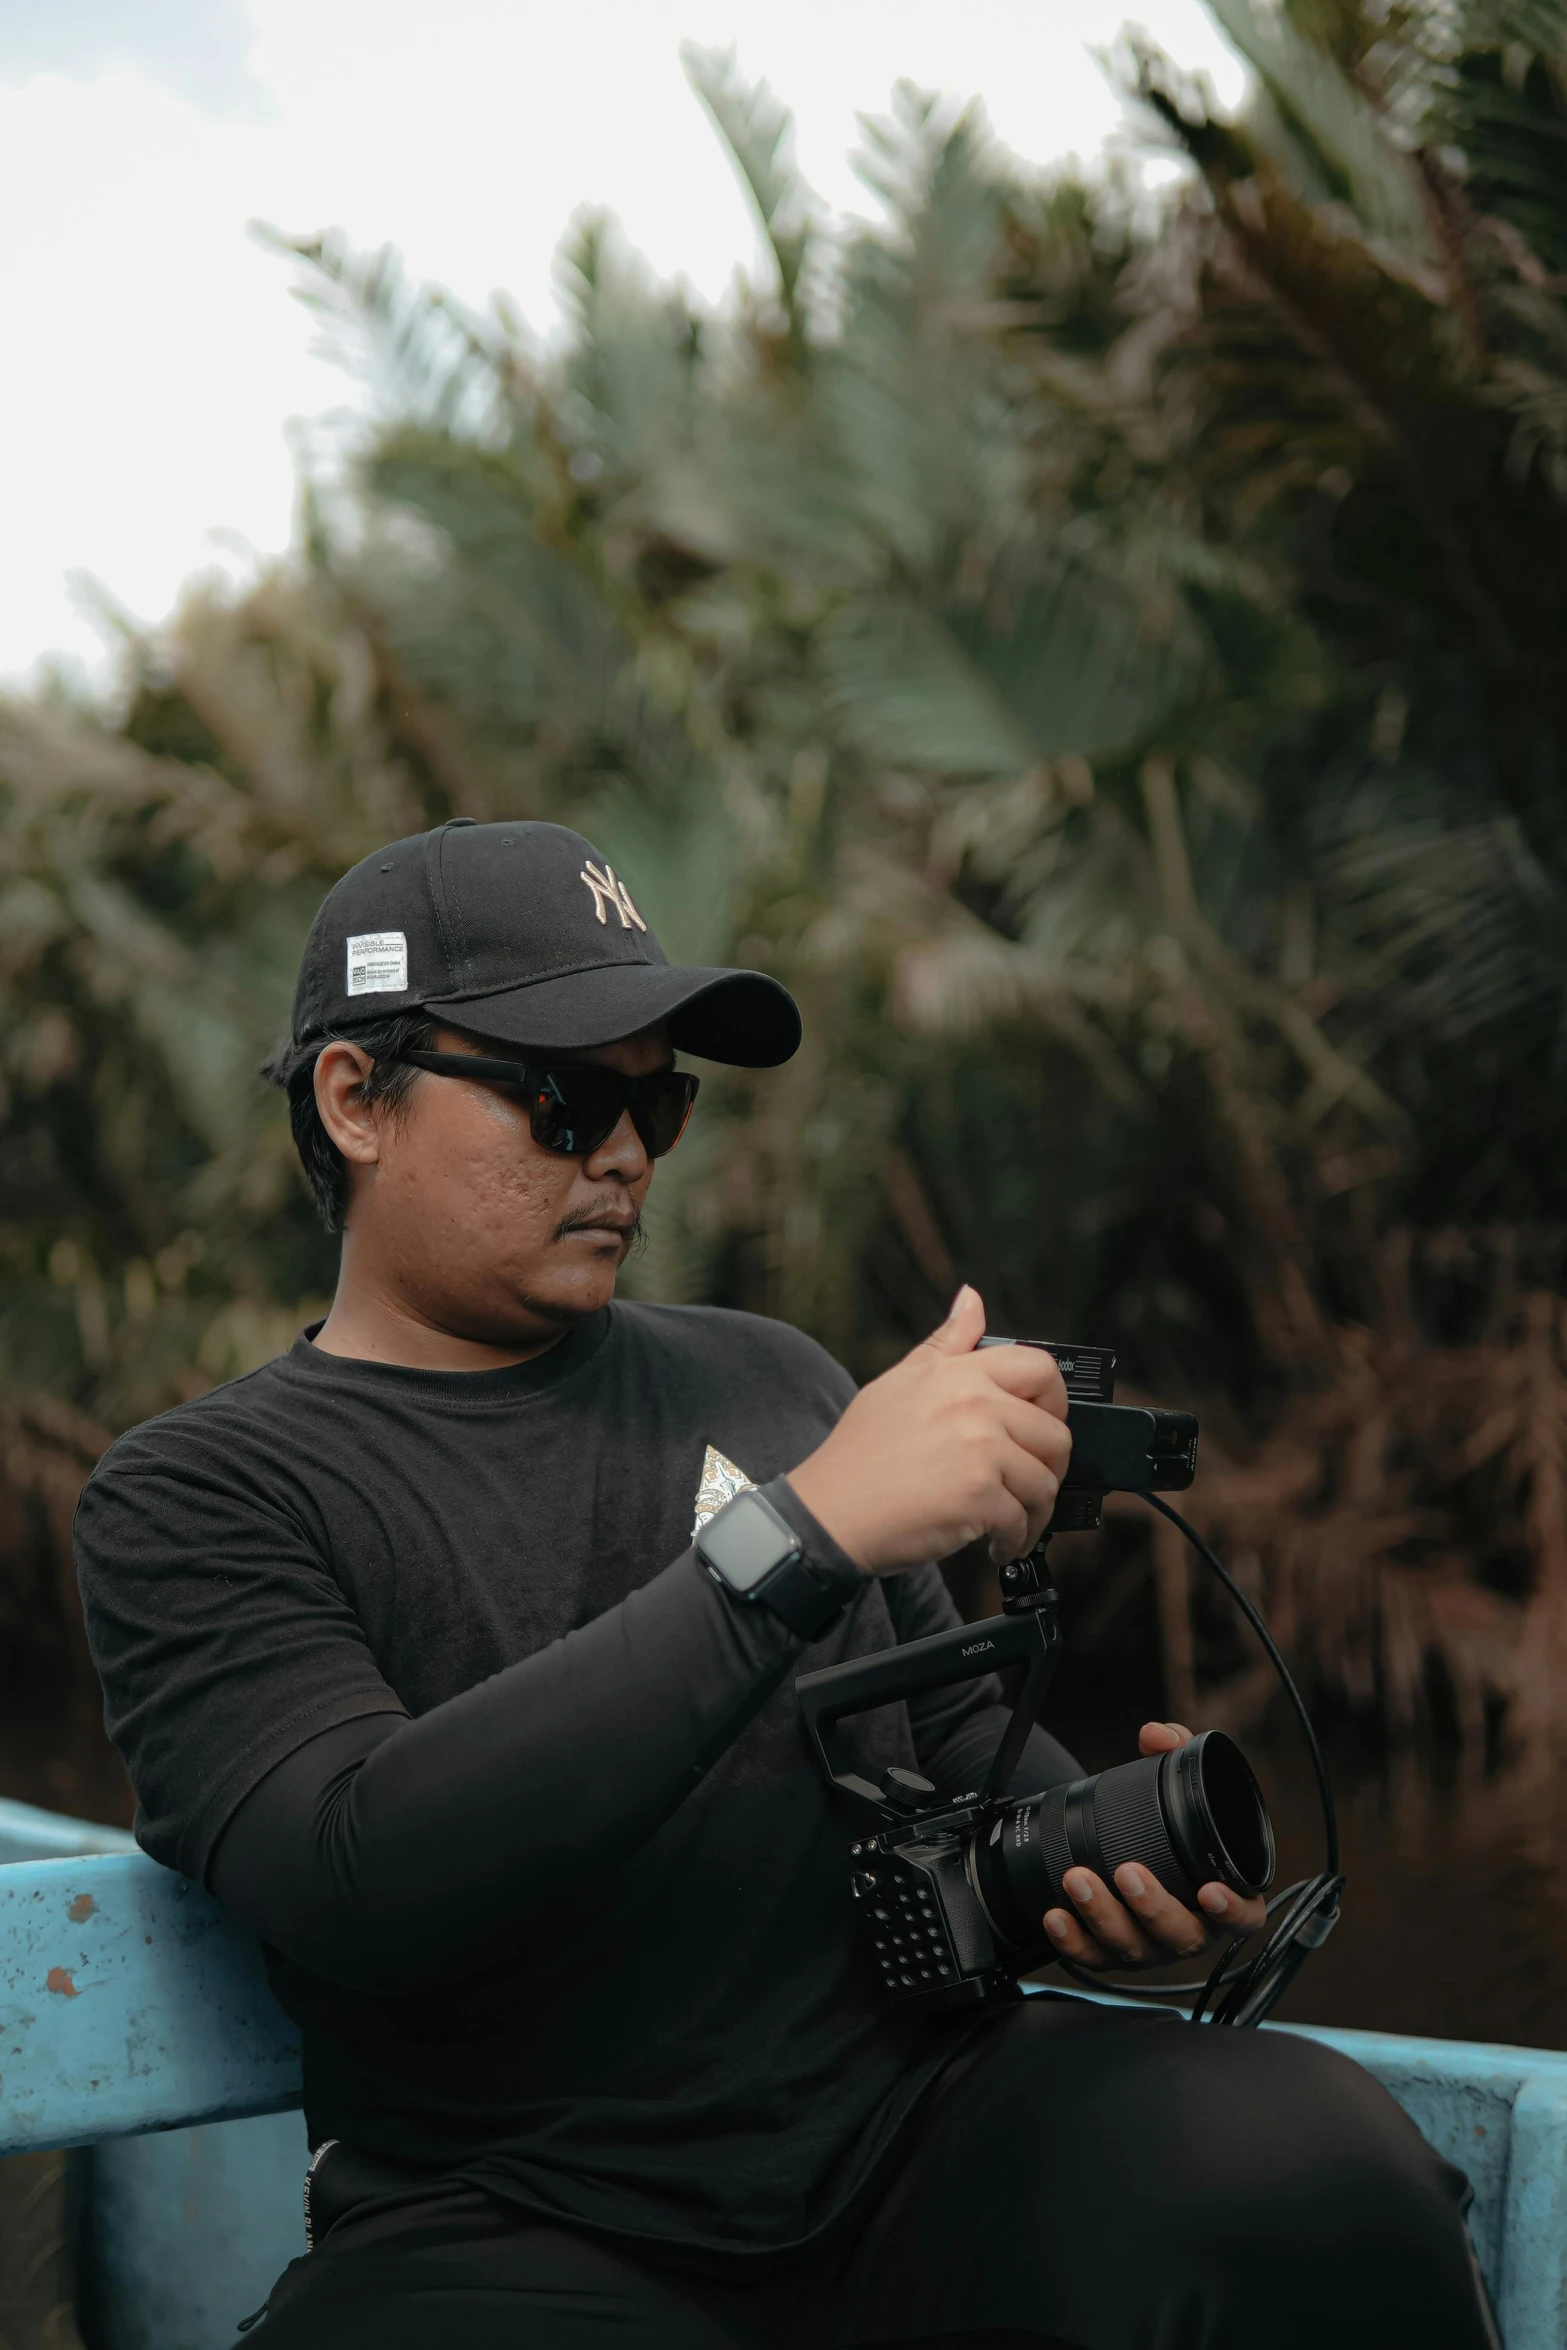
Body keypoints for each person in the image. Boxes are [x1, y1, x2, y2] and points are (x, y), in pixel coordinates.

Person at [74, 819, 1496, 2350]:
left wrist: (1120, 1890)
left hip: (915, 2137)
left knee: (1313, 2163)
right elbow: (357, 1875)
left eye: (656, 1104)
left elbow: (954, 1757)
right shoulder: (199, 1492)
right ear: (357, 1098)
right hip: (521, 2212)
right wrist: (799, 1534)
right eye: (562, 1099)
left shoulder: (768, 1376)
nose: (621, 1153)